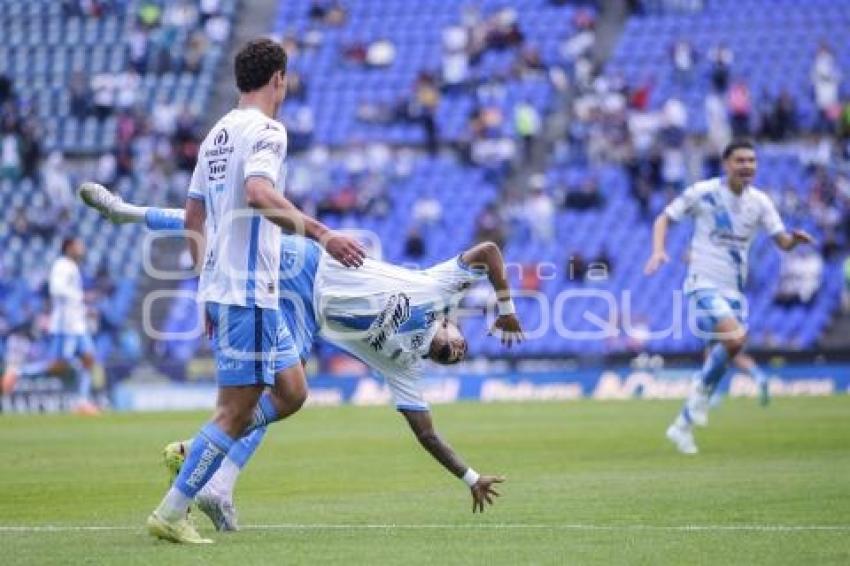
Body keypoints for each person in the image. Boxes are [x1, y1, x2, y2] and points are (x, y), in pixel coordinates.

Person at [79, 182, 523, 530]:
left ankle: (213, 474)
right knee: (228, 228)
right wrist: (506, 309)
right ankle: (127, 212)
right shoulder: (438, 287)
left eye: (452, 359)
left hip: (300, 315)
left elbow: (427, 435)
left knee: (287, 395)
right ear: (451, 321)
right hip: (309, 262)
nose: (456, 352)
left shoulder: (404, 365)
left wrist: (470, 477)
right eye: (461, 345)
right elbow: (487, 252)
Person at [139, 38, 365, 544]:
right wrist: (324, 234)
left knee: (292, 390)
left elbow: (194, 214)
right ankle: (172, 511)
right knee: (235, 411)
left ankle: (196, 450)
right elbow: (259, 193)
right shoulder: (268, 130)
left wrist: (204, 286)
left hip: (228, 287)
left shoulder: (217, 133)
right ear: (278, 78)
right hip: (248, 292)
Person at [644, 140, 814, 455]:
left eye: (752, 160)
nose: (747, 166)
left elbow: (781, 242)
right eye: (741, 160)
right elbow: (663, 218)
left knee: (733, 345)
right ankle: (700, 391)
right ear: (726, 164)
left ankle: (684, 422)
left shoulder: (761, 203)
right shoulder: (703, 192)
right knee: (735, 339)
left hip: (734, 290)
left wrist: (794, 241)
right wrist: (658, 251)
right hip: (703, 283)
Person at [1, 237, 99, 414]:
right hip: (65, 325)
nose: (82, 248)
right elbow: (56, 289)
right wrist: (79, 297)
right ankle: (19, 372)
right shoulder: (61, 265)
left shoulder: (72, 266)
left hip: (78, 324)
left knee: (89, 358)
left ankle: (82, 402)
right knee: (58, 366)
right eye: (79, 245)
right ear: (69, 247)